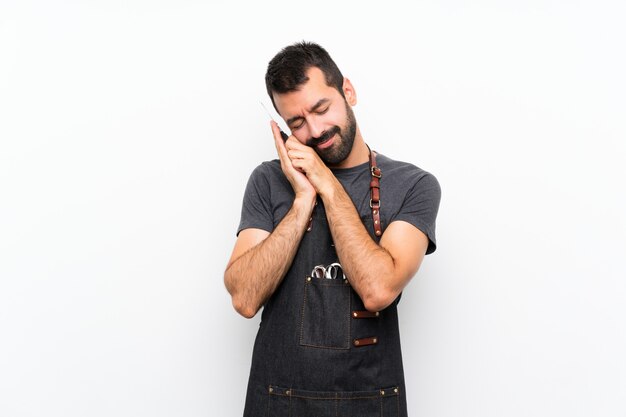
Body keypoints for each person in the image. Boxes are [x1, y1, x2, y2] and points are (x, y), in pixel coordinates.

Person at [224, 41, 441, 417]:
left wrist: (325, 181)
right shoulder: (267, 181)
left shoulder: (413, 185)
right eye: (297, 123)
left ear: (348, 91)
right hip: (276, 402)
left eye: (321, 108)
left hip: (370, 404)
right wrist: (303, 200)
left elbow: (377, 289)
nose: (315, 130)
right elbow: (244, 297)